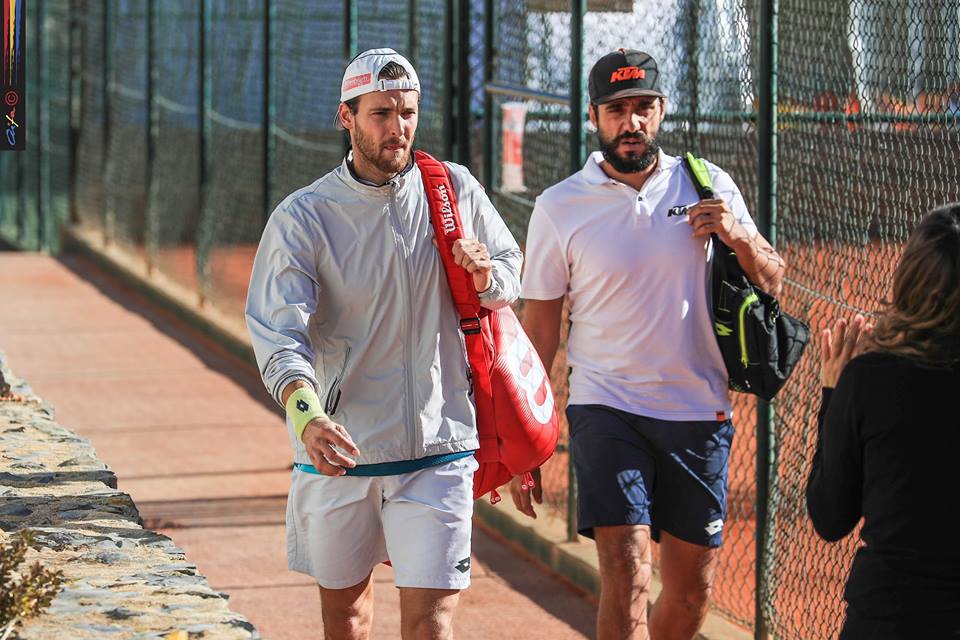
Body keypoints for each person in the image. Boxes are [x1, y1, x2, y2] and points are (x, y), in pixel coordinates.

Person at [244, 48, 522, 640]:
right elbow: (278, 333)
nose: (397, 127)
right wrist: (307, 415)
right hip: (341, 451)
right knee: (347, 619)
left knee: (432, 622)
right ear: (346, 117)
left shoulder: (454, 188)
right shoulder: (304, 216)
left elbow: (507, 270)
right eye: (381, 113)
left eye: (408, 112)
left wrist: (485, 277)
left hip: (440, 446)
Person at [512, 49, 786, 640]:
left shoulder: (708, 184)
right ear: (593, 116)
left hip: (698, 408)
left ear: (661, 110)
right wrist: (526, 439)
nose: (631, 122)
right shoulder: (558, 207)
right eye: (616, 110)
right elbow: (539, 333)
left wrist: (736, 236)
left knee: (690, 594)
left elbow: (772, 278)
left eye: (642, 107)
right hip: (605, 405)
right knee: (626, 569)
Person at [806, 204, 960, 640]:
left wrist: (834, 394)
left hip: (890, 615)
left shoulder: (871, 379)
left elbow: (830, 517)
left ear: (910, 278)